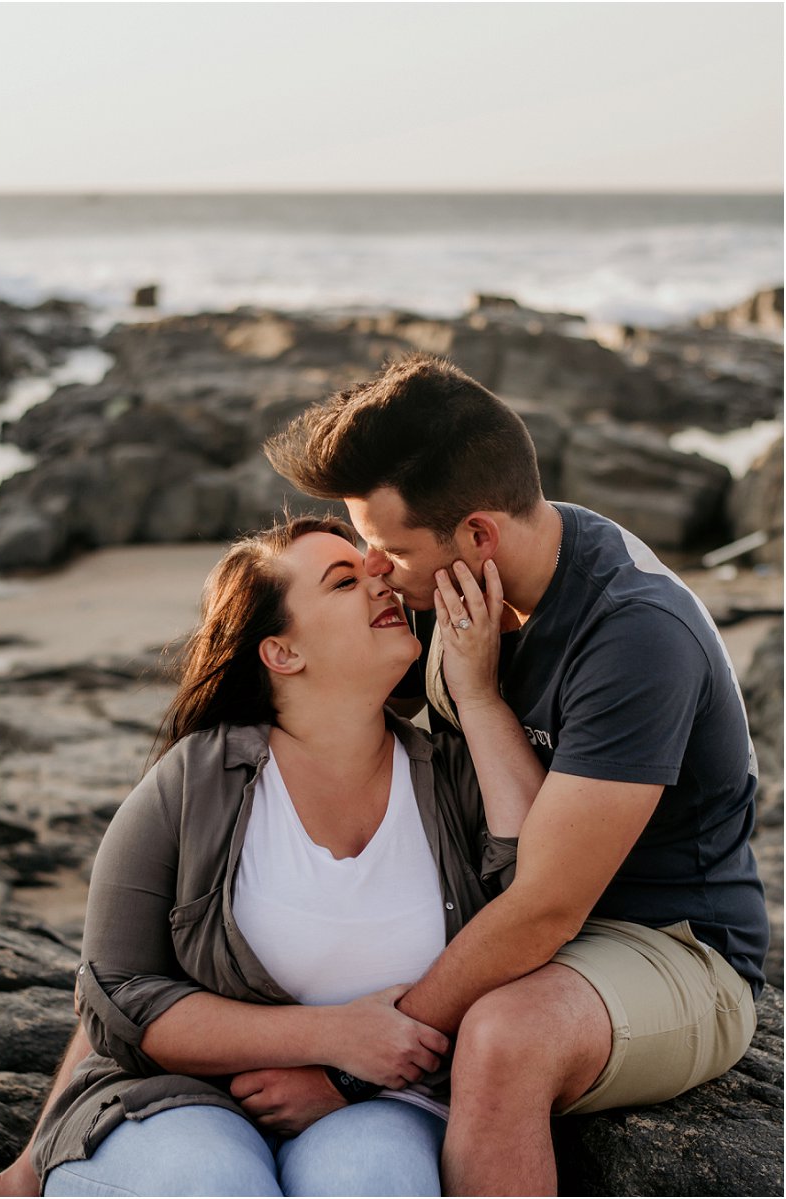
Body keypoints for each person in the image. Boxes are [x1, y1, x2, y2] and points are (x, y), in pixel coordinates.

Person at [262, 352, 769, 1196]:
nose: (375, 568)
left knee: (503, 1036)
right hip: (499, 913)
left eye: (386, 547)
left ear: (479, 533)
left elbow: (545, 910)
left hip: (666, 944)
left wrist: (352, 1067)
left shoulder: (633, 634)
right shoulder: (448, 585)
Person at [6, 513, 536, 1198]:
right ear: (282, 652)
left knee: (374, 1182)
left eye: (373, 567)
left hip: (381, 1104)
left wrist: (477, 693)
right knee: (216, 1184)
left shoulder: (455, 774)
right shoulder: (194, 781)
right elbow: (118, 994)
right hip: (176, 1101)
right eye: (344, 579)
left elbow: (539, 897)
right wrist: (333, 1036)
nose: (381, 577)